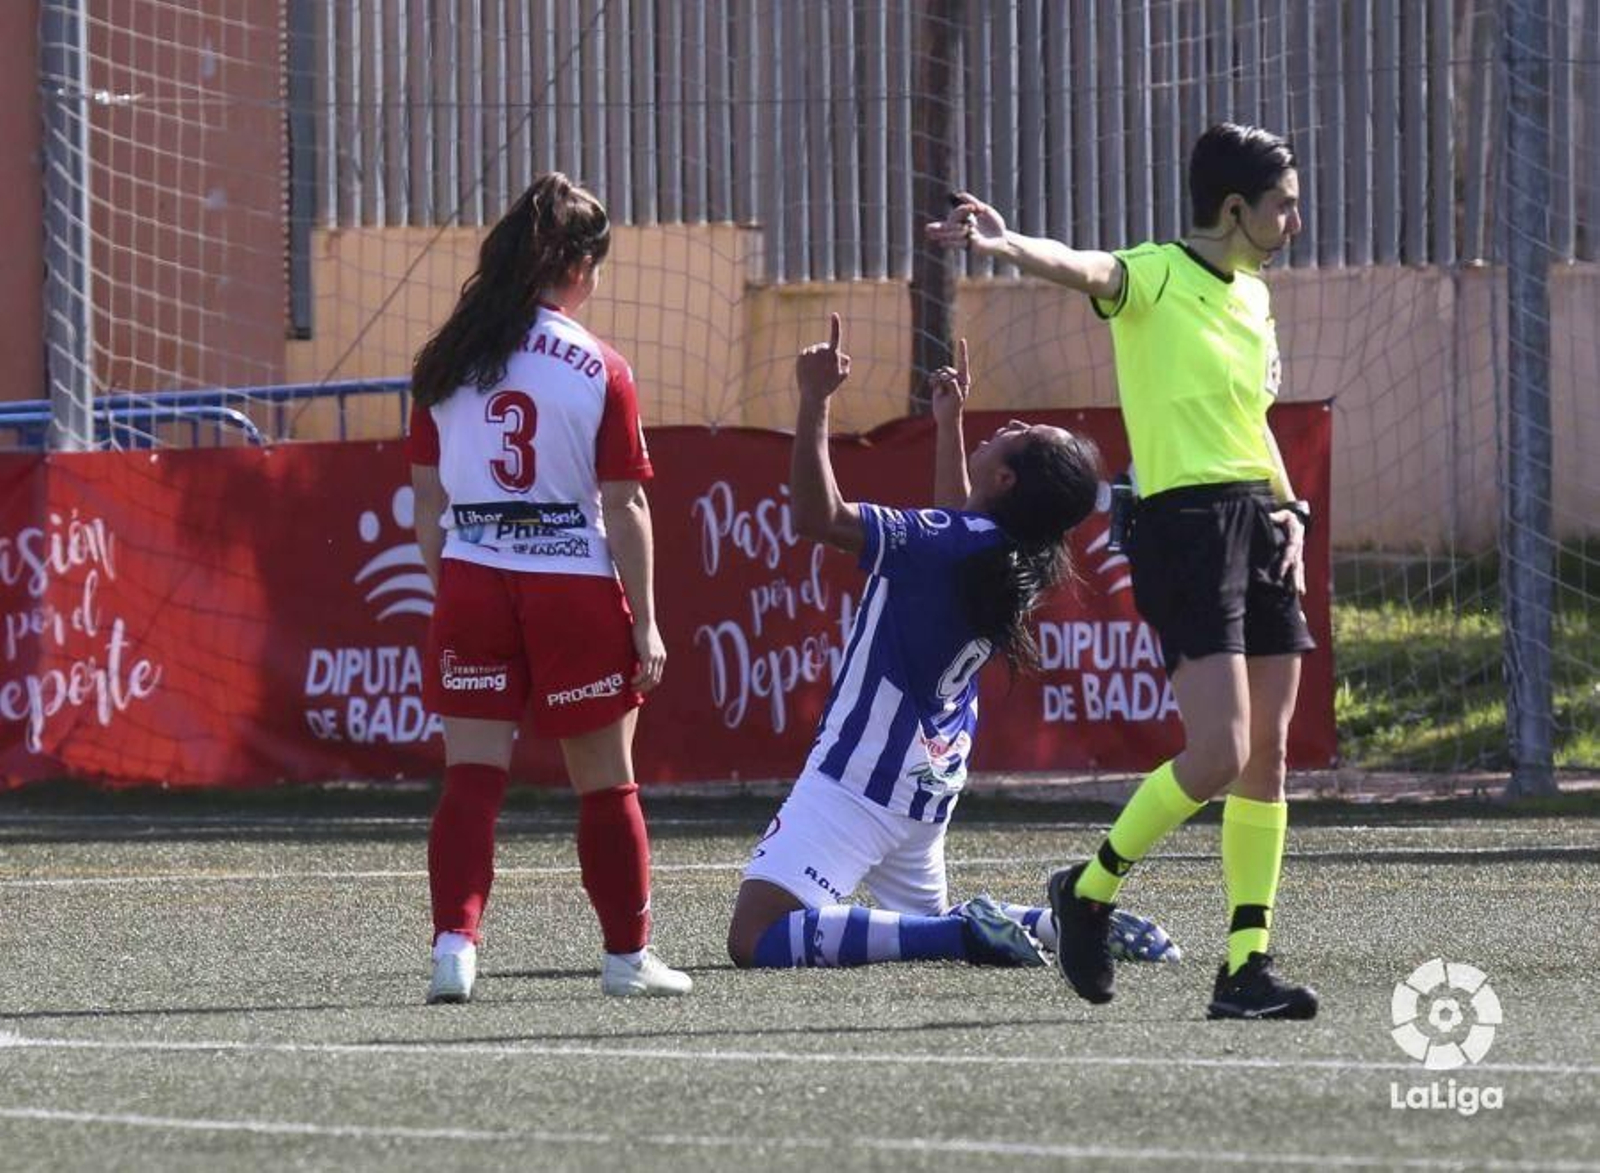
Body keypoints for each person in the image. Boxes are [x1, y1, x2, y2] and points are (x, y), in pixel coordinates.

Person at [926, 122, 1318, 1019]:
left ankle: (1244, 967)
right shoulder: (1155, 275)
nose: (1294, 220)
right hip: (1185, 527)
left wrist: (1290, 510)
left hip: (1260, 523)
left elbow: (1251, 425)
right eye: (1283, 205)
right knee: (1218, 750)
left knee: (1270, 754)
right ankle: (1090, 889)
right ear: (1234, 208)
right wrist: (1002, 239)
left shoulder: (1255, 297)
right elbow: (1080, 266)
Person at [725, 313, 1181, 972]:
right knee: (918, 924)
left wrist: (814, 398)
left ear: (1005, 481)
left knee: (758, 936)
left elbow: (816, 516)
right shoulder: (1018, 551)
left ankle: (965, 932)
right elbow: (957, 521)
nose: (1009, 426)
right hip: (927, 785)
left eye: (1020, 435)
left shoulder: (955, 541)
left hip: (862, 776)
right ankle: (1059, 923)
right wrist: (949, 424)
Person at [406, 171, 691, 1004]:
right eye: (595, 264)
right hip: (571, 581)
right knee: (607, 779)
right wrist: (646, 624)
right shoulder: (600, 364)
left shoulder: (444, 360)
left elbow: (428, 502)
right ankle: (625, 957)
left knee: (471, 778)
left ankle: (454, 948)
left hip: (472, 578)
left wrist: (456, 580)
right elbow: (625, 501)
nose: (597, 281)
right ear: (571, 264)